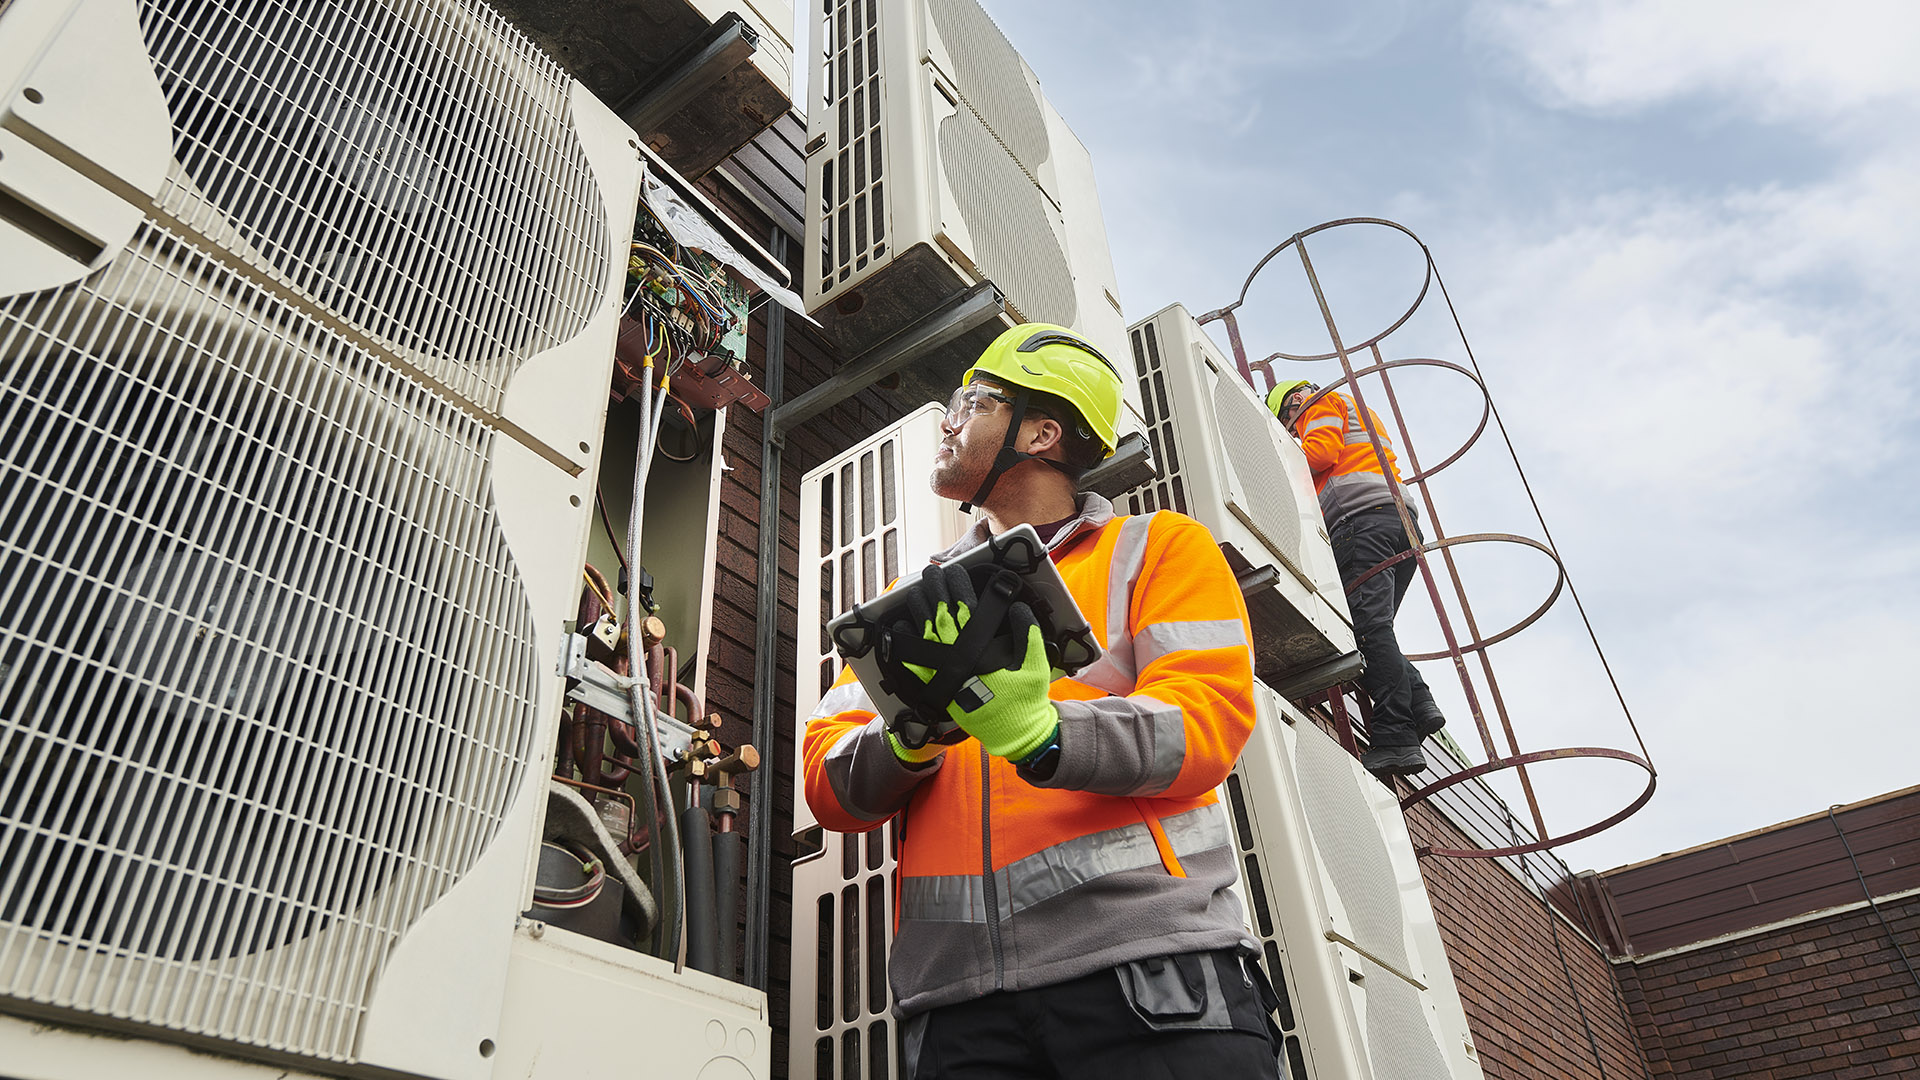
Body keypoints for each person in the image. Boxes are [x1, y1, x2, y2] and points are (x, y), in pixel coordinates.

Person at [804, 323, 1282, 1079]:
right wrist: (909, 739)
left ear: (1041, 431)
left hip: (1147, 973)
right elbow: (825, 782)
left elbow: (1205, 723)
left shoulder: (1156, 548)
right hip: (957, 1010)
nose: (949, 419)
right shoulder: (910, 604)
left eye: (972, 401)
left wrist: (1044, 734)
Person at [1268, 379, 1446, 779]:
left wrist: (1274, 456)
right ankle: (1419, 702)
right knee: (1373, 626)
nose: (1292, 431)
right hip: (1397, 521)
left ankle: (1396, 738)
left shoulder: (1317, 402)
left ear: (1295, 401)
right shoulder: (1353, 409)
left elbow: (1319, 453)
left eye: (1287, 424)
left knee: (1366, 629)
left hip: (1361, 520)